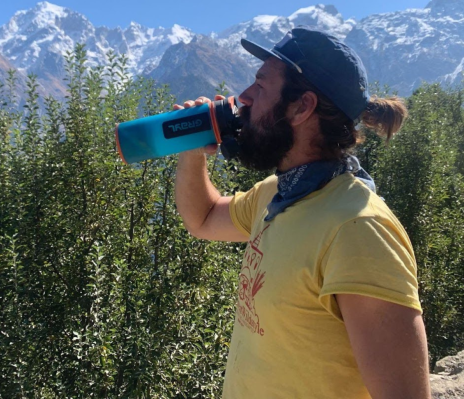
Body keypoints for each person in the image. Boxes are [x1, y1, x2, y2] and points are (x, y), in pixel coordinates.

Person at [173, 27, 431, 398]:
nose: (242, 97)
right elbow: (203, 217)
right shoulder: (278, 195)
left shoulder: (359, 230)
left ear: (301, 107)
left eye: (260, 86)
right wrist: (192, 148)